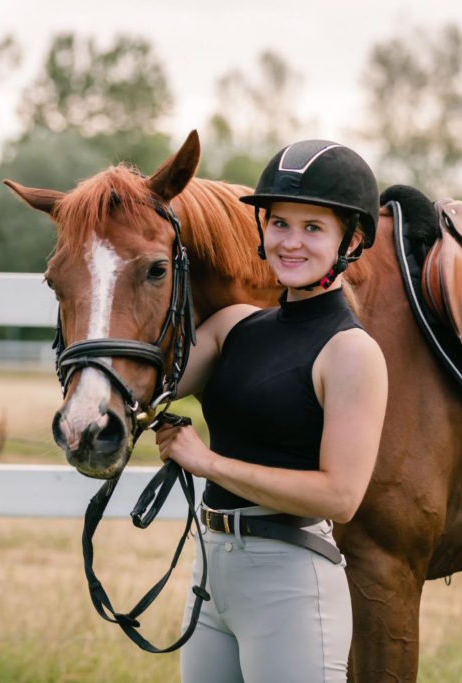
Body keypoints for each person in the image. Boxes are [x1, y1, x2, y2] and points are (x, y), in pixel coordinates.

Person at [154, 139, 389, 682]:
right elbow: (151, 387)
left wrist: (207, 462)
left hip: (290, 580)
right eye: (280, 223)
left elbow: (341, 496)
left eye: (313, 228)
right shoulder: (235, 325)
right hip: (212, 569)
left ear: (348, 241)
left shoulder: (351, 352)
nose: (291, 242)